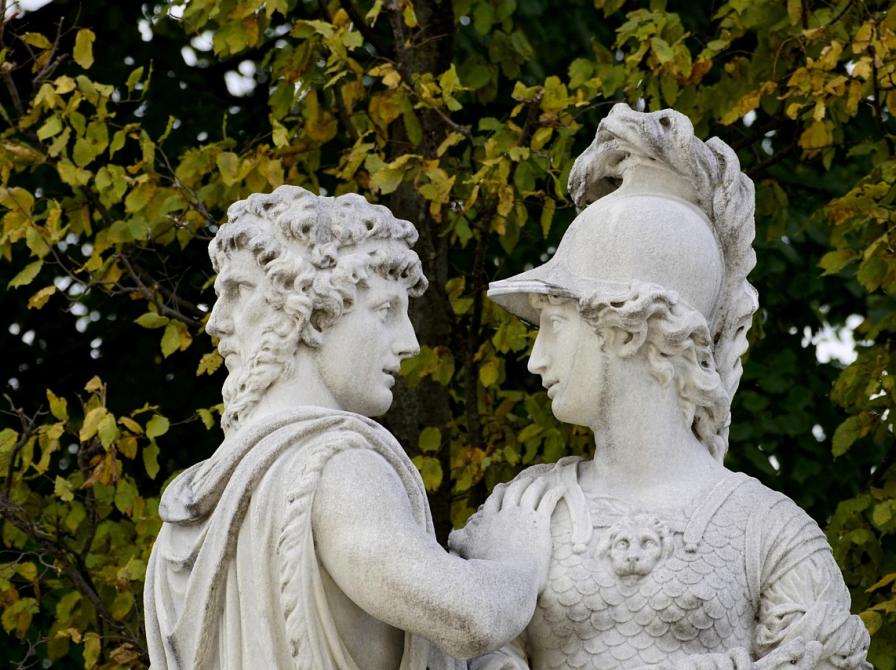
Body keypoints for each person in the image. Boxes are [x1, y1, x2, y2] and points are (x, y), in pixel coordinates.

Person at [449, 104, 871, 670]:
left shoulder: (769, 531)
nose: (535, 360)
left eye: (554, 327)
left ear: (626, 331)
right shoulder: (524, 513)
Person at [143, 186, 558, 669]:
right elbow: (470, 618)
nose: (409, 343)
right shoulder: (336, 467)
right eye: (385, 311)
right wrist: (519, 557)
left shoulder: (191, 513)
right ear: (315, 317)